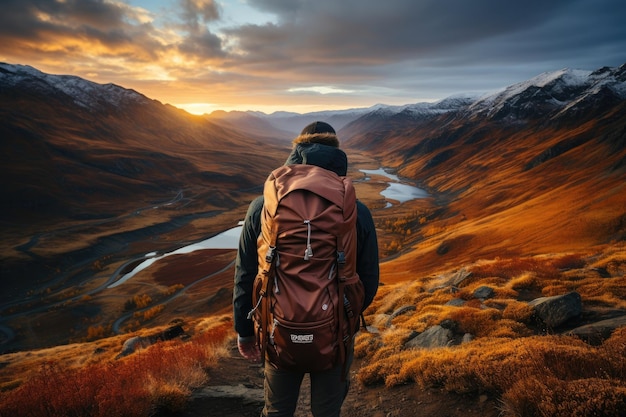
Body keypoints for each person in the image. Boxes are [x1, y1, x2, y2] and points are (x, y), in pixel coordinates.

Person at [233, 121, 379, 417]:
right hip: (335, 331)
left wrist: (245, 331)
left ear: (297, 151)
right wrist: (344, 317)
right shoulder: (356, 210)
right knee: (327, 412)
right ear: (336, 154)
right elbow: (369, 278)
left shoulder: (262, 206)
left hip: (278, 328)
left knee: (276, 410)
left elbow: (247, 274)